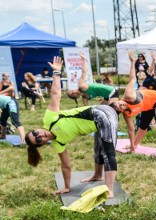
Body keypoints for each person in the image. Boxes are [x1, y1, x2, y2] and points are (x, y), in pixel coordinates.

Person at [24, 57, 119, 198]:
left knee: (107, 151)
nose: (40, 135)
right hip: (98, 124)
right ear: (42, 144)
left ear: (37, 128)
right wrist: (67, 187)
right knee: (98, 148)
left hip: (102, 114)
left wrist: (56, 72)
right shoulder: (58, 143)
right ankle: (98, 175)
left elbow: (55, 94)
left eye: (35, 133)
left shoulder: (49, 119)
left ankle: (109, 189)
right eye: (38, 140)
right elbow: (66, 165)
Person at [110, 51, 156, 154]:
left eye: (118, 102)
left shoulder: (128, 95)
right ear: (121, 110)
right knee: (142, 126)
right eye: (120, 106)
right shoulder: (127, 114)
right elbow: (131, 130)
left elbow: (133, 78)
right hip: (147, 107)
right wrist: (132, 146)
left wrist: (133, 62)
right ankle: (136, 144)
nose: (120, 103)